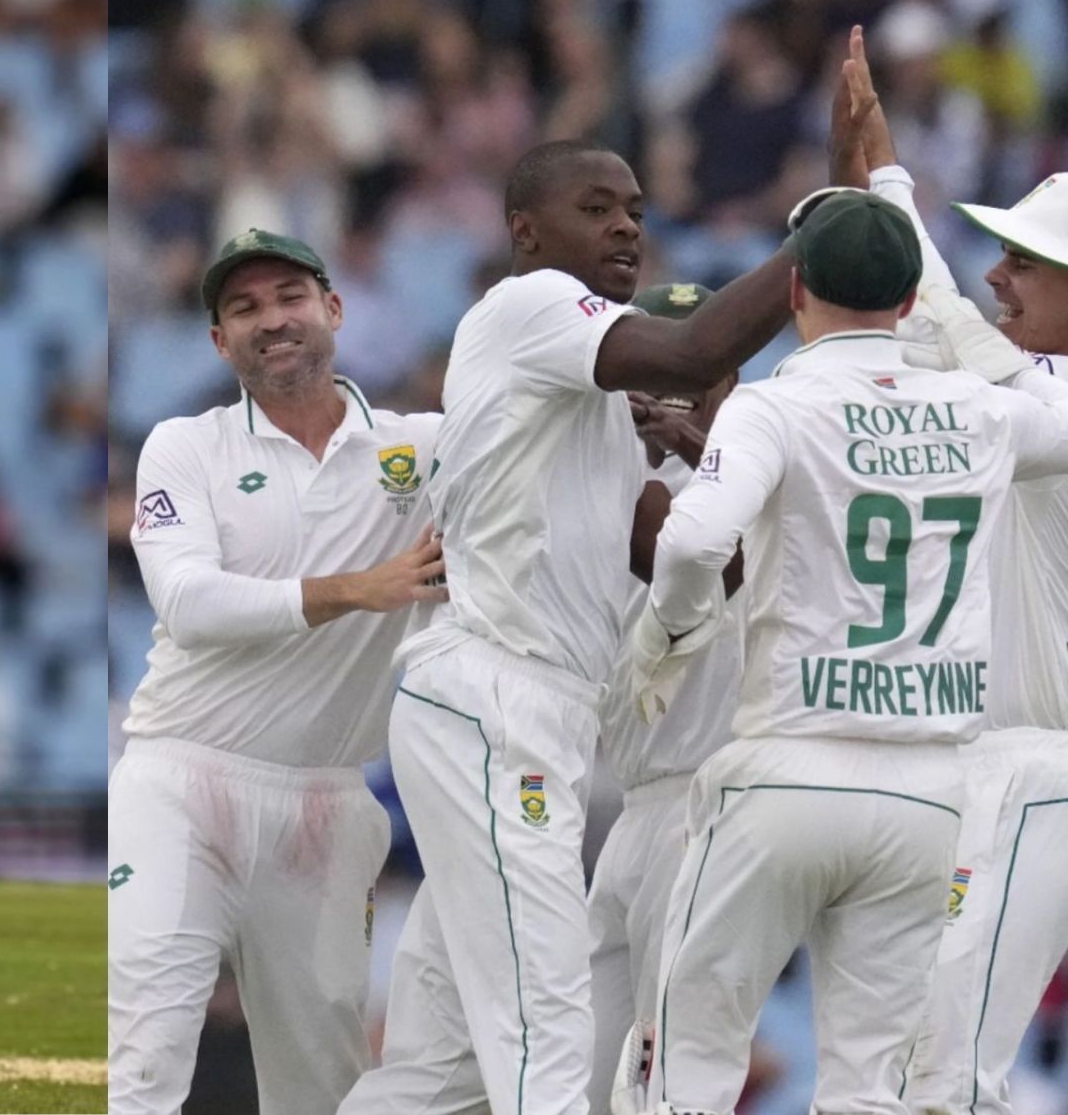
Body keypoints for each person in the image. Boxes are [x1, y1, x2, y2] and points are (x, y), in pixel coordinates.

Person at [340, 119, 823, 1114]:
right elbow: (694, 348)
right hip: (499, 698)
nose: (624, 228)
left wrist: (700, 453)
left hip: (519, 717)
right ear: (524, 231)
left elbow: (694, 560)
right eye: (594, 208)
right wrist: (834, 233)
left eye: (637, 212)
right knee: (548, 1023)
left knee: (440, 1072)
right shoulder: (530, 304)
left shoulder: (595, 411)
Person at [630, 188, 1068, 1115]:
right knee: (878, 1092)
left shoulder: (777, 405)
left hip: (790, 766)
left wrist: (666, 633)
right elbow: (1028, 396)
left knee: (685, 1066)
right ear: (912, 302)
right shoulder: (984, 413)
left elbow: (696, 541)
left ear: (791, 289)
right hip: (926, 795)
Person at [111, 227, 447, 1115]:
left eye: (290, 297)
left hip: (327, 800)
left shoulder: (425, 448)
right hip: (180, 777)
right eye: (245, 308)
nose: (273, 320)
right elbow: (187, 601)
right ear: (220, 342)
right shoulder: (186, 447)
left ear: (333, 310)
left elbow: (547, 463)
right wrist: (356, 589)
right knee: (142, 1046)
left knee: (322, 1081)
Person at [845, 39, 1068, 1115]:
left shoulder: (1049, 401)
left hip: (1044, 771)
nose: (998, 274)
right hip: (999, 766)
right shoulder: (1033, 390)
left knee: (946, 1073)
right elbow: (942, 345)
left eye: (1025, 262)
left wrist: (890, 181)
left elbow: (953, 342)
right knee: (920, 1067)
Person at [584, 284, 746, 1115]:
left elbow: (729, 565)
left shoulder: (772, 476)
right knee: (582, 1077)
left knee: (669, 1071)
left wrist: (702, 447)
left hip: (710, 798)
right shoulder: (597, 478)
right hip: (631, 807)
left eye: (699, 361)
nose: (676, 389)